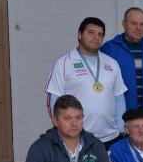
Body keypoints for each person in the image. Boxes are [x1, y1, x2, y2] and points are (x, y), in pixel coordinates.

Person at [45, 17, 128, 149]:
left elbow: (119, 99)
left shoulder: (112, 63)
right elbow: (54, 100)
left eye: (100, 34)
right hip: (77, 138)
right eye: (91, 32)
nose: (96, 37)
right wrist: (61, 130)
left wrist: (121, 130)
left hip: (111, 138)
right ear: (79, 35)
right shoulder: (65, 63)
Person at [101, 7, 143, 111]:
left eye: (142, 24)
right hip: (121, 115)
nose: (138, 28)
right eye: (134, 23)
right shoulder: (109, 49)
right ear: (124, 24)